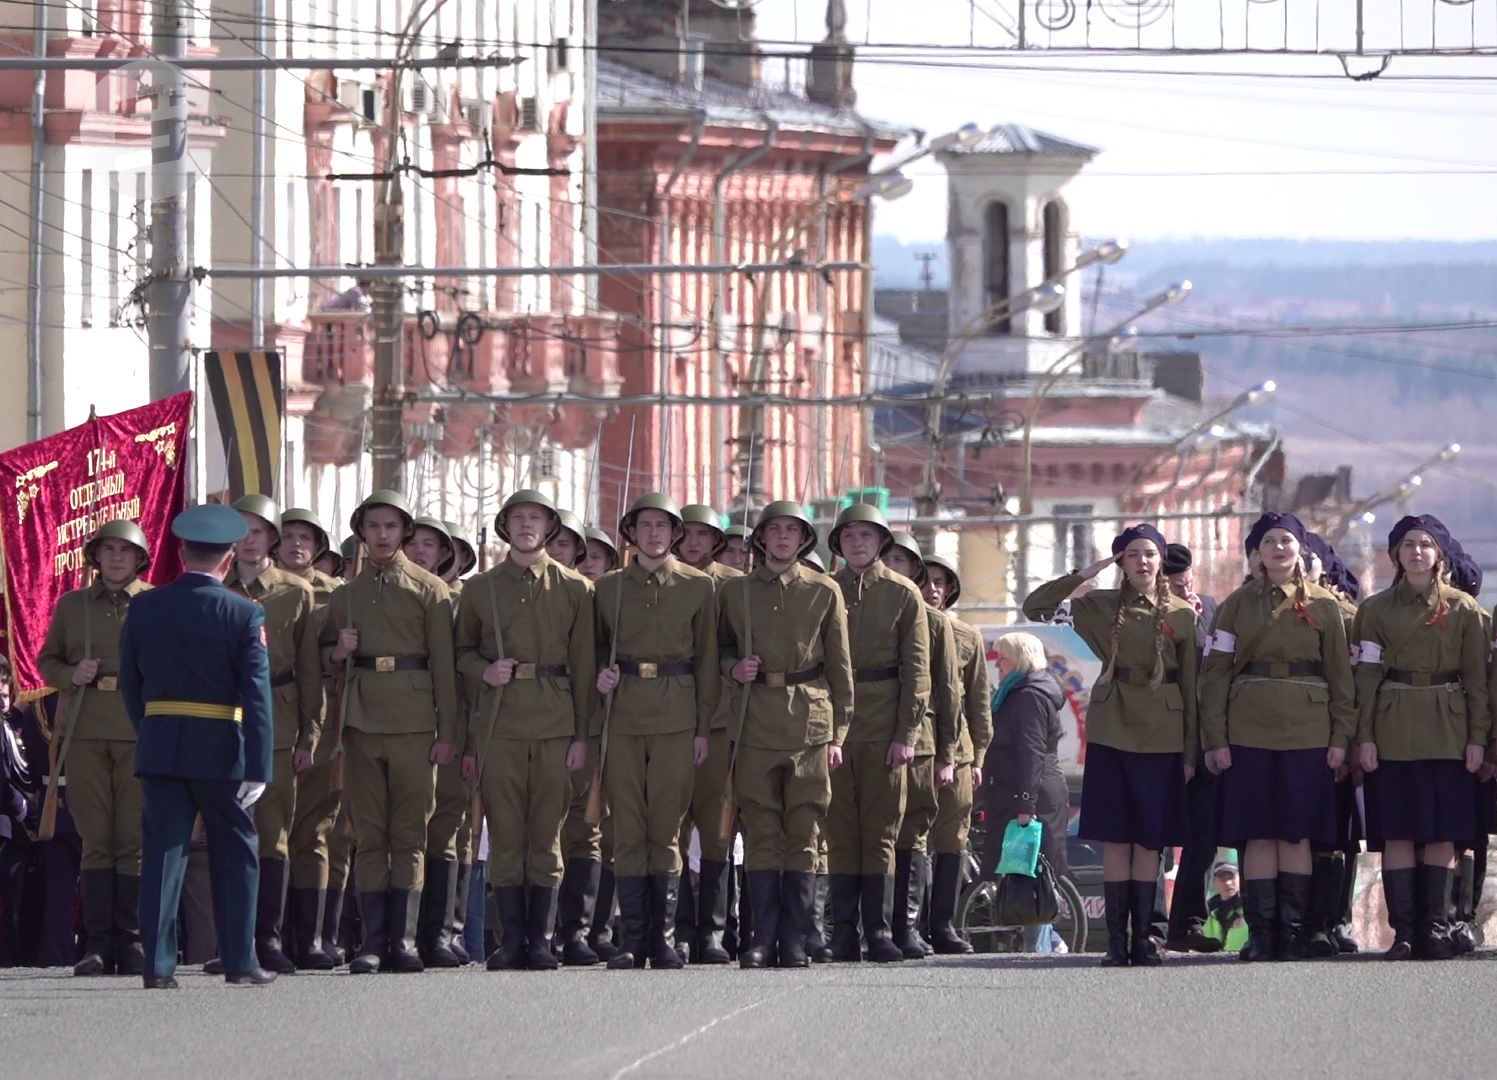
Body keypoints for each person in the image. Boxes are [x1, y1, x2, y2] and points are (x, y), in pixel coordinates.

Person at [1024, 523, 1198, 968]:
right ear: (1122, 561)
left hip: (1163, 729)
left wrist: (1191, 753)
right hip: (1114, 725)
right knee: (1118, 837)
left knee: (1150, 839)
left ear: (1162, 561)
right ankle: (1118, 942)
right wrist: (1089, 571)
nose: (1143, 561)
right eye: (1133, 554)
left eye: (1150, 554)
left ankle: (1145, 938)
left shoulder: (1181, 613)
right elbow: (1036, 605)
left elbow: (1194, 685)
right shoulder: (1099, 606)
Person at [121, 504, 276, 988]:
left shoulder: (144, 606)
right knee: (235, 852)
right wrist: (258, 764)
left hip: (163, 743)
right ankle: (237, 961)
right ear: (228, 559)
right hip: (221, 750)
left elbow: (131, 683)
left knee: (164, 854)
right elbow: (256, 695)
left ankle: (158, 967)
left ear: (182, 552)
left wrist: (151, 731)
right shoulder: (245, 613)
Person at [1199, 512, 1356, 962]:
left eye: (1287, 540)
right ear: (1258, 553)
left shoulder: (1325, 605)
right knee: (1258, 834)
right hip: (1248, 730)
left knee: (1297, 835)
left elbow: (1342, 680)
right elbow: (1214, 677)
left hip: (1309, 731)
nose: (1279, 548)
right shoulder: (1237, 605)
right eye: (1269, 541)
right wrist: (1216, 738)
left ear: (1300, 550)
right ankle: (1262, 931)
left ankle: (1293, 929)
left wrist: (1341, 737)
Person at [322, 490, 460, 974]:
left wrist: (448, 732)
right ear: (361, 532)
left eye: (391, 526)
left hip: (416, 723)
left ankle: (402, 940)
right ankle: (371, 940)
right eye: (373, 526)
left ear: (405, 532)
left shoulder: (430, 590)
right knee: (369, 833)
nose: (382, 535)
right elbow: (324, 662)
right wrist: (338, 652)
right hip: (361, 723)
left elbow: (445, 667)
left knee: (410, 833)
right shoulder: (345, 596)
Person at [456, 490, 594, 971]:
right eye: (517, 518)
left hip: (555, 721)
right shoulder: (481, 589)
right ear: (504, 526)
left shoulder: (576, 589)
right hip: (501, 722)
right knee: (506, 833)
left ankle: (541, 940)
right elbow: (462, 652)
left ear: (551, 527)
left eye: (536, 517)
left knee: (547, 833)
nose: (526, 525)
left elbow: (583, 665)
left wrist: (581, 737)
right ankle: (510, 938)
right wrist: (484, 671)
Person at [717, 500, 854, 968]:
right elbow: (719, 651)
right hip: (755, 719)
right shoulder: (736, 593)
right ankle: (762, 937)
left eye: (790, 531)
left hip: (809, 721)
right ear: (760, 538)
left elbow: (840, 667)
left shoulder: (824, 590)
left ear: (803, 539)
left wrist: (838, 733)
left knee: (803, 829)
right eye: (773, 530)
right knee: (760, 830)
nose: (781, 538)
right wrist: (734, 668)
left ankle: (795, 939)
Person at [1355, 515, 1489, 961]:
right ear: (1395, 554)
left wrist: (1477, 738)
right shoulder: (1375, 611)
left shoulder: (1464, 609)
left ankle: (1434, 926)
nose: (1416, 552)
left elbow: (1477, 680)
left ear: (1439, 555)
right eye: (1407, 545)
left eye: (1425, 545)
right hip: (1393, 726)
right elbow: (1366, 680)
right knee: (1397, 830)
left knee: (1443, 832)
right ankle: (1406, 931)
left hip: (1448, 728)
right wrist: (1365, 736)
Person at [594, 494, 718, 970]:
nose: (653, 534)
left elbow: (708, 662)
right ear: (631, 533)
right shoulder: (608, 588)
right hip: (623, 715)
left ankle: (663, 937)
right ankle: (633, 938)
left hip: (677, 713)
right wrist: (600, 680)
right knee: (628, 827)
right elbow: (595, 650)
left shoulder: (699, 587)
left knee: (666, 827)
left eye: (662, 527)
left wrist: (703, 727)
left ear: (676, 534)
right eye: (644, 526)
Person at [37, 519, 154, 977]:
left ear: (140, 558)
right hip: (85, 731)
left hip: (138, 728)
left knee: (132, 839)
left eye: (125, 550)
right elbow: (46, 662)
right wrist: (70, 675)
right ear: (95, 556)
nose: (116, 557)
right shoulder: (73, 606)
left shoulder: (153, 603)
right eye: (108, 549)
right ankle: (98, 943)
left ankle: (132, 940)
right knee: (96, 841)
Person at [825, 504, 931, 964]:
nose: (858, 544)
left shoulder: (903, 593)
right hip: (836, 722)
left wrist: (906, 734)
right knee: (842, 832)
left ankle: (881, 930)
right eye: (849, 537)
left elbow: (918, 672)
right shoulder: (826, 590)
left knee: (883, 832)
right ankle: (843, 932)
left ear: (882, 542)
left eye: (867, 536)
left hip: (886, 719)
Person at [881, 530, 958, 959]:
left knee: (912, 834)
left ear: (915, 572)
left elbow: (948, 693)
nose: (894, 568)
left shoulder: (934, 622)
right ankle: (865, 924)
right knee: (874, 832)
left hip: (921, 743)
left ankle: (907, 925)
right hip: (872, 736)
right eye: (888, 559)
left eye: (903, 562)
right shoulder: (859, 608)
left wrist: (948, 753)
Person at [671, 504, 742, 965]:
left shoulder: (734, 588)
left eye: (703, 534)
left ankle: (713, 930)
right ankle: (676, 928)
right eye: (688, 533)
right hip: (670, 718)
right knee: (670, 826)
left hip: (720, 719)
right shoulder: (665, 580)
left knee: (717, 830)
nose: (694, 542)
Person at [275, 508, 344, 969]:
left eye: (306, 537)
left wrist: (338, 653)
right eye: (289, 536)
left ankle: (314, 937)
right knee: (270, 831)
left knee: (316, 830)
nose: (297, 543)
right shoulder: (261, 590)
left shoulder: (337, 595)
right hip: (273, 719)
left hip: (324, 719)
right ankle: (268, 935)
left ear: (319, 546)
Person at [401, 515, 466, 968]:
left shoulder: (465, 599)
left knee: (445, 828)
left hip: (456, 725)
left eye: (431, 544)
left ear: (445, 554)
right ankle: (398, 932)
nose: (421, 551)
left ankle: (438, 932)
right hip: (406, 721)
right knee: (406, 829)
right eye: (415, 543)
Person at [921, 555, 992, 954]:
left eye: (941, 583)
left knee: (951, 839)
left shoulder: (967, 636)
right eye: (926, 580)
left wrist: (979, 756)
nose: (933, 588)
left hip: (958, 752)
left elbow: (979, 703)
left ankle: (943, 924)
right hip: (913, 744)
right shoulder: (900, 629)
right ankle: (908, 922)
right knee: (908, 839)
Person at [981, 633, 1070, 932]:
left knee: (1033, 875)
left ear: (1019, 660)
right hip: (1020, 791)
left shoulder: (1029, 696)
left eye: (1003, 658)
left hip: (1033, 796)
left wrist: (1025, 804)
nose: (998, 665)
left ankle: (1043, 945)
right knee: (1024, 871)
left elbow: (1030, 751)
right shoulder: (1015, 692)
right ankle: (1040, 941)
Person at [1161, 542, 1222, 953]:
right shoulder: (1150, 614)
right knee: (1152, 840)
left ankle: (1188, 923)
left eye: (1188, 583)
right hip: (1160, 738)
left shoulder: (1212, 608)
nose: (1186, 591)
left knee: (1204, 837)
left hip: (1203, 742)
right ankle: (1146, 923)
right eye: (1176, 586)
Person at [572, 525, 622, 962]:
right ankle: (565, 927)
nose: (589, 563)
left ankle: (597, 926)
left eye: (598, 556)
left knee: (601, 828)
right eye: (581, 554)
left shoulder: (615, 601)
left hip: (612, 725)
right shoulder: (566, 597)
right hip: (563, 722)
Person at [0, 657, 32, 966]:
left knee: (14, 901)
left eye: (5, 689)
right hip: (8, 817)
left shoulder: (12, 725)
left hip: (12, 829)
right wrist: (25, 809)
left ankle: (9, 961)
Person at [1200, 863, 1248, 953]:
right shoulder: (1208, 910)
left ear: (1240, 878)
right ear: (1214, 882)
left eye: (1231, 878)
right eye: (1222, 879)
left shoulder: (1250, 906)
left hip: (1245, 959)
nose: (1228, 883)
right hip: (1216, 962)